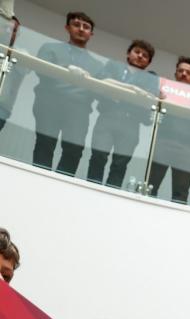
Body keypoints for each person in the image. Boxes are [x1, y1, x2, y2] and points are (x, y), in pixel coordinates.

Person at [31, 11, 102, 175]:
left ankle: (60, 191)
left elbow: (98, 90)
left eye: (86, 27)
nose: (81, 29)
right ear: (67, 27)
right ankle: (39, 183)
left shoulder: (97, 65)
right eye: (76, 25)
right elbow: (42, 72)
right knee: (45, 144)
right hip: (49, 103)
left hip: (79, 110)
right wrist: (69, 72)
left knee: (74, 150)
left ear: (91, 34)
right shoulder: (50, 48)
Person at [86, 39, 159, 188]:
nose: (140, 56)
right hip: (108, 117)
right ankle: (92, 188)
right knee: (98, 155)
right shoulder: (114, 65)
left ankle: (112, 192)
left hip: (131, 124)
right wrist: (133, 89)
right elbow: (103, 81)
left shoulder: (151, 78)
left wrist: (120, 89)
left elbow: (148, 97)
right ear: (128, 53)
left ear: (148, 62)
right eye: (137, 52)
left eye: (145, 55)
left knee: (121, 162)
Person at [148, 56, 190, 203]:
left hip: (187, 150)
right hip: (162, 144)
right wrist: (159, 101)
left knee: (180, 194)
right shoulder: (165, 94)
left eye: (188, 73)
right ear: (175, 74)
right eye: (180, 71)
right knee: (150, 188)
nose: (183, 74)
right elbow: (150, 121)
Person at [0, 16, 25, 135]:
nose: (9, 32)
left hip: (2, 108)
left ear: (18, 34)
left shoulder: (22, 54)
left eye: (14, 30)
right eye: (6, 27)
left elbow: (24, 68)